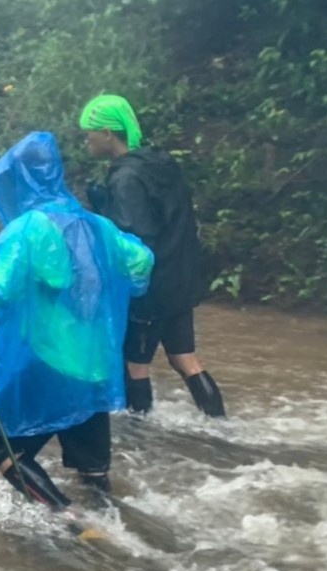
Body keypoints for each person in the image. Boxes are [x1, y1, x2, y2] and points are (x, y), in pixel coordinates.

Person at [0, 132, 153, 508]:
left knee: (2, 445)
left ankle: (65, 518)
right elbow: (142, 262)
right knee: (92, 470)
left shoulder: (30, 229)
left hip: (49, 359)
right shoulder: (97, 225)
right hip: (95, 363)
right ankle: (107, 530)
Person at [79, 94, 226, 418]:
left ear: (107, 132)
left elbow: (136, 238)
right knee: (184, 358)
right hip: (181, 277)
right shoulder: (160, 162)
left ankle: (140, 441)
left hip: (152, 287)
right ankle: (219, 426)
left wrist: (103, 209)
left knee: (136, 365)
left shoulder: (125, 177)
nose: (85, 140)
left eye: (89, 132)